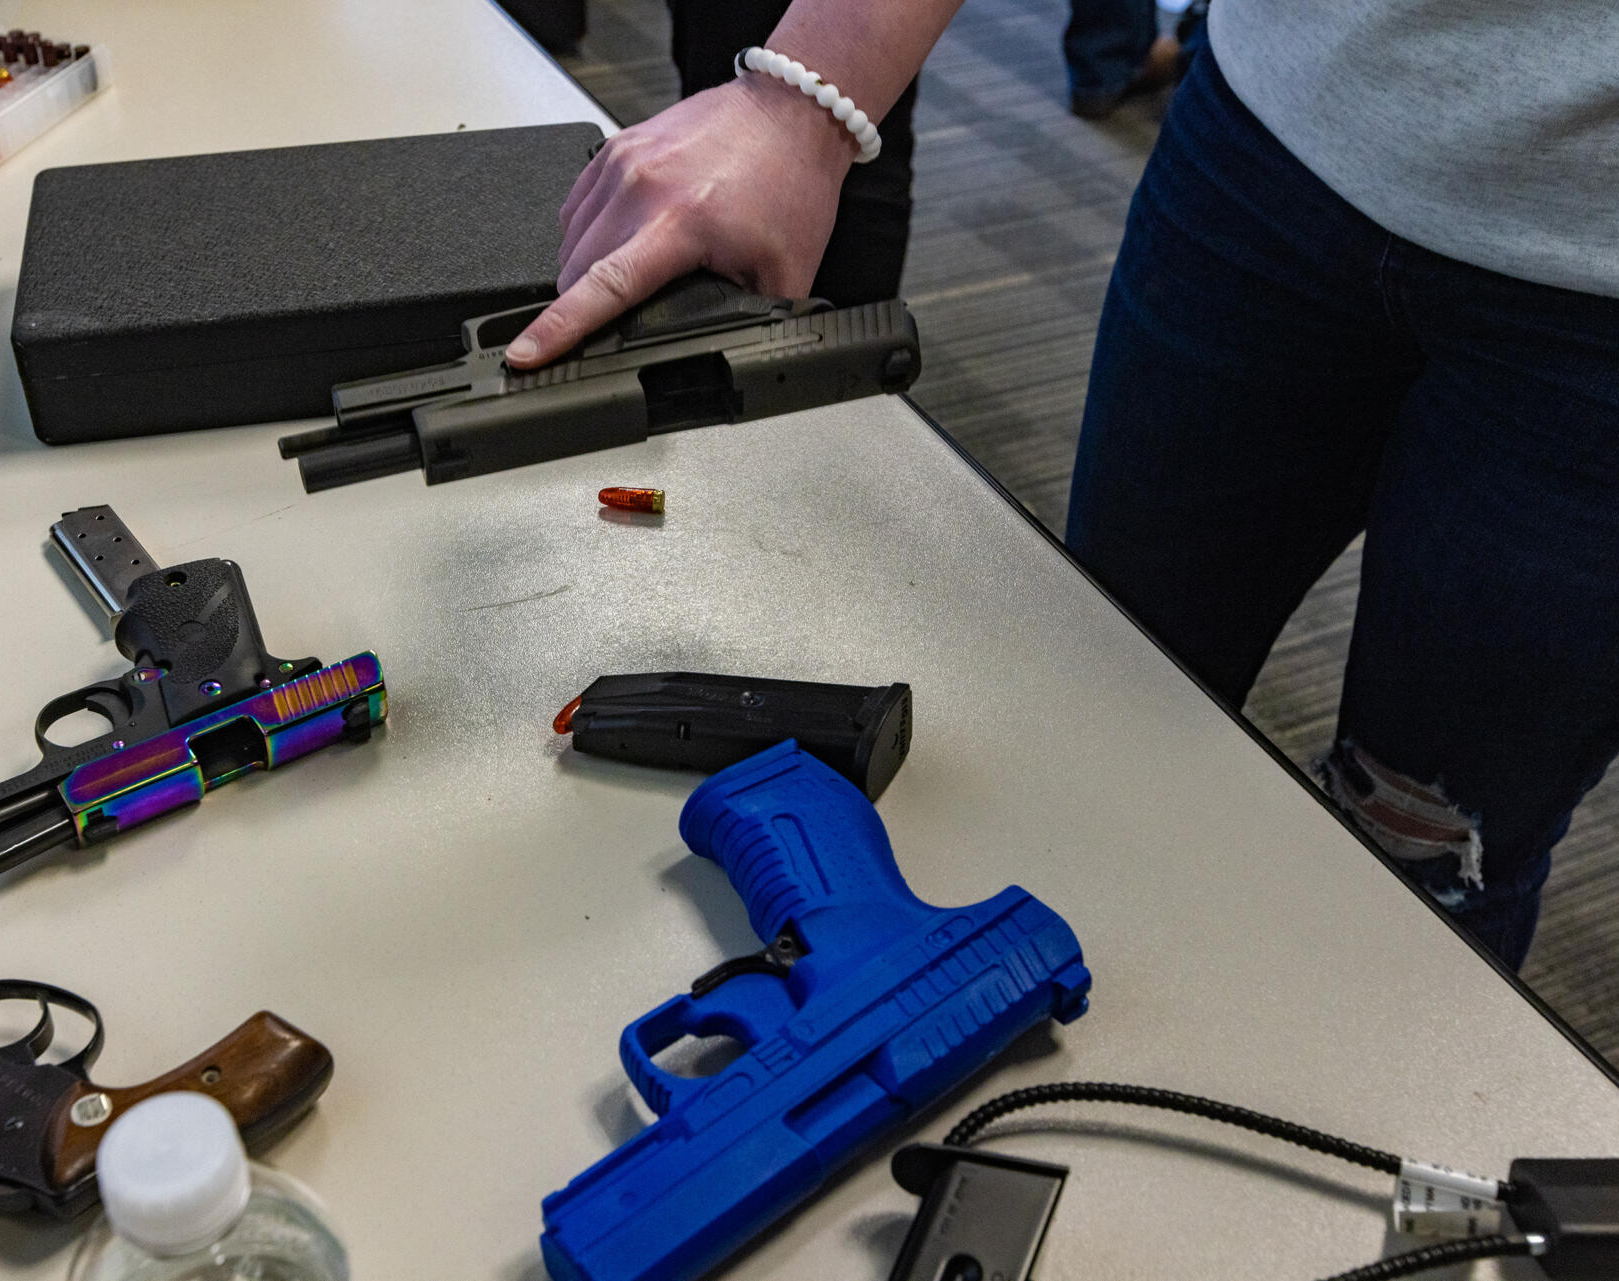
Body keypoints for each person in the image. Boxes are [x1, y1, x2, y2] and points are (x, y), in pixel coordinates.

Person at [505, 0, 1619, 970]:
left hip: (1593, 306)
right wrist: (801, 96)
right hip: (1277, 143)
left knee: (1426, 858)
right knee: (1093, 705)